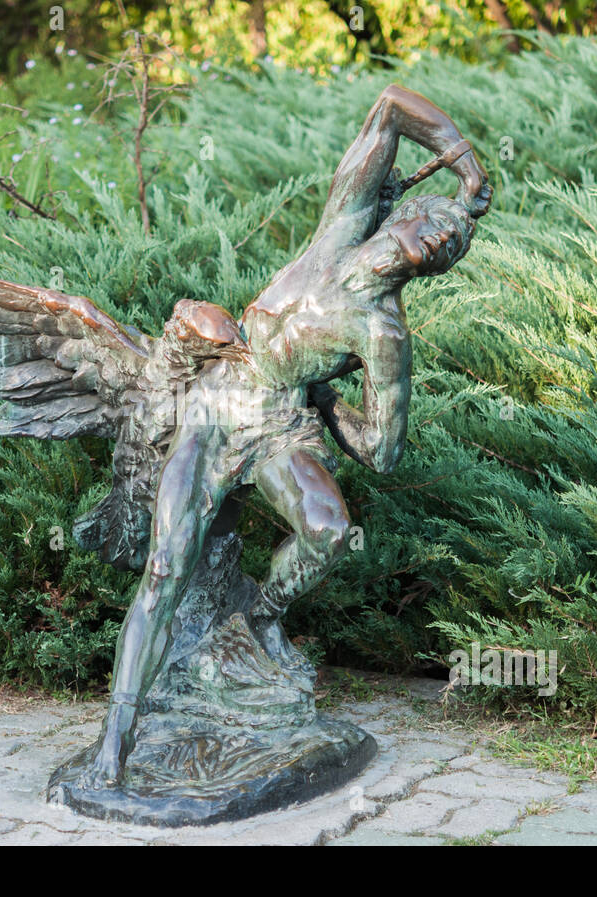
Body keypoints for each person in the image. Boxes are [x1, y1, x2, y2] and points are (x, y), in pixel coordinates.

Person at [85, 84, 493, 787]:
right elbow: (391, 105)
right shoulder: (343, 225)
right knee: (165, 569)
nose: (444, 239)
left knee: (329, 527)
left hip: (283, 425)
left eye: (453, 246)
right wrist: (466, 164)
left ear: (440, 265)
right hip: (218, 406)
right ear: (410, 210)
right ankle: (116, 736)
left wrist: (331, 403)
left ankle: (261, 614)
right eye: (442, 224)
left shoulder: (385, 335)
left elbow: (381, 453)